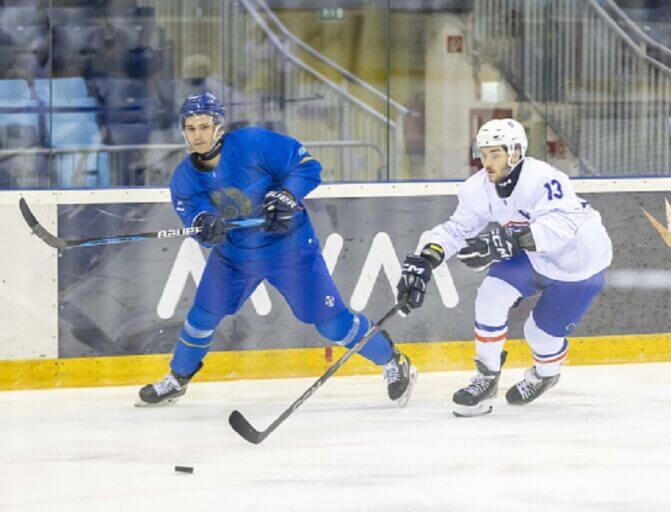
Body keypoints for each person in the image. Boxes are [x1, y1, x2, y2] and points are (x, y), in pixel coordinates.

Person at [137, 92, 417, 407]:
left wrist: (287, 194)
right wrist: (205, 224)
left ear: (218, 127)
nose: (197, 135)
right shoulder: (184, 179)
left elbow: (308, 167)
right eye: (190, 128)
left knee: (332, 323)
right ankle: (177, 378)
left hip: (289, 249)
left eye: (203, 126)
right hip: (235, 257)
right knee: (201, 316)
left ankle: (394, 361)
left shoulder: (254, 143)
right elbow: (195, 216)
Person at [397, 119, 612, 417]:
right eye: (483, 154)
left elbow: (562, 225)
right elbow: (456, 230)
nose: (487, 162)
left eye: (495, 154)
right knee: (490, 294)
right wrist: (426, 259)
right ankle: (486, 379)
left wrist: (511, 239)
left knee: (539, 335)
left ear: (515, 153)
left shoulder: (544, 178)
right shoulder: (478, 188)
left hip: (578, 264)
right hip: (532, 255)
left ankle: (546, 374)